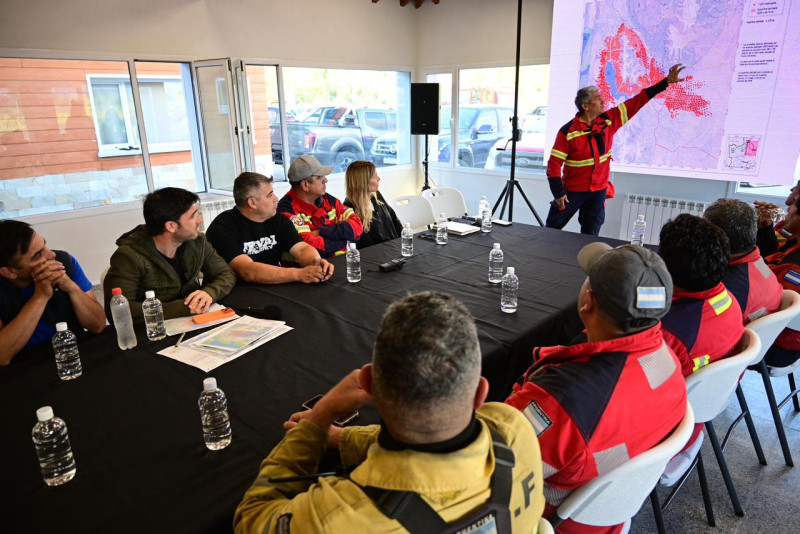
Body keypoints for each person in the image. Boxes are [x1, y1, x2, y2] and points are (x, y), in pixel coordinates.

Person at [234, 292, 545, 533]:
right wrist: (343, 439)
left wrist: (320, 416)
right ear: (480, 394)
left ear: (369, 384)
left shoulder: (334, 519)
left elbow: (252, 517)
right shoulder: (513, 429)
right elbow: (431, 453)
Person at [505, 242, 687, 534]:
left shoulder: (562, 403)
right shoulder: (667, 357)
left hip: (551, 519)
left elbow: (494, 470)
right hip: (608, 508)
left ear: (587, 301)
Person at [545, 64, 687, 235]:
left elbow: (638, 100)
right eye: (598, 98)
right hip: (572, 191)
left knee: (591, 233)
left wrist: (665, 82)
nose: (603, 101)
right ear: (585, 106)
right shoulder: (567, 132)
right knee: (552, 229)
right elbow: (554, 165)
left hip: (598, 191)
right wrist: (558, 193)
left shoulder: (609, 121)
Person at [104, 187, 236, 324]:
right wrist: (186, 306)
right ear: (171, 226)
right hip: (154, 329)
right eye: (192, 216)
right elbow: (118, 311)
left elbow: (226, 273)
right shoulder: (128, 256)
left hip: (195, 321)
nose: (200, 220)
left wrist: (210, 292)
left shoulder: (196, 242)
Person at [0, 220, 106, 365]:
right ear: (9, 272)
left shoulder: (64, 262)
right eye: (38, 255)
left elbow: (98, 325)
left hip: (74, 356)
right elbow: (2, 356)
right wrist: (40, 297)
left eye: (44, 245)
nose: (51, 254)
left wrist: (71, 287)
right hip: (23, 368)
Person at [206, 172, 334, 284]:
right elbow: (247, 270)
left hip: (274, 286)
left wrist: (315, 261)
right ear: (252, 202)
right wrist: (298, 274)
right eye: (270, 195)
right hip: (236, 293)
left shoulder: (277, 219)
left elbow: (301, 249)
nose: (276, 198)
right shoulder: (222, 228)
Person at [658, 214, 744, 377]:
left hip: (678, 387)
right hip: (717, 385)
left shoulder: (667, 335)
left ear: (664, 265)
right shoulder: (728, 298)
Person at [703, 198, 782, 323]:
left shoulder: (726, 291)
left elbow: (703, 321)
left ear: (715, 240)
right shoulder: (758, 263)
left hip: (732, 327)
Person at [278, 155, 363, 258]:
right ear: (305, 185)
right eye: (319, 177)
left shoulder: (329, 200)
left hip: (341, 263)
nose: (325, 180)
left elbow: (357, 228)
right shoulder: (286, 211)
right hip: (309, 267)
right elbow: (313, 249)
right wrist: (345, 237)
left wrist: (321, 231)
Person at [764, 195, 800, 367]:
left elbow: (769, 305)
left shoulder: (795, 267)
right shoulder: (794, 243)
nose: (789, 209)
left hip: (777, 345)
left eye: (794, 206)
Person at [344, 160, 403, 249]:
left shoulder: (376, 196)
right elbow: (366, 245)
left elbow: (395, 221)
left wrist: (403, 242)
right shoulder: (350, 208)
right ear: (363, 182)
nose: (379, 178)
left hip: (394, 248)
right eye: (375, 176)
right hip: (377, 254)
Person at [755, 178, 800, 257]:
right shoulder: (788, 225)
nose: (792, 189)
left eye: (797, 186)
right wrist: (766, 228)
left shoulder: (792, 226)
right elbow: (770, 251)